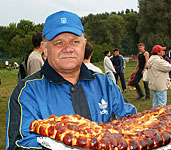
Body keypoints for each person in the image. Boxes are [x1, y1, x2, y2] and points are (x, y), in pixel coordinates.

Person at [5, 10, 136, 149]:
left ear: (83, 45)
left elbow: (132, 126)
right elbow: (19, 145)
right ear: (45, 48)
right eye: (58, 43)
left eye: (75, 41)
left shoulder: (105, 84)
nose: (68, 49)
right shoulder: (27, 93)